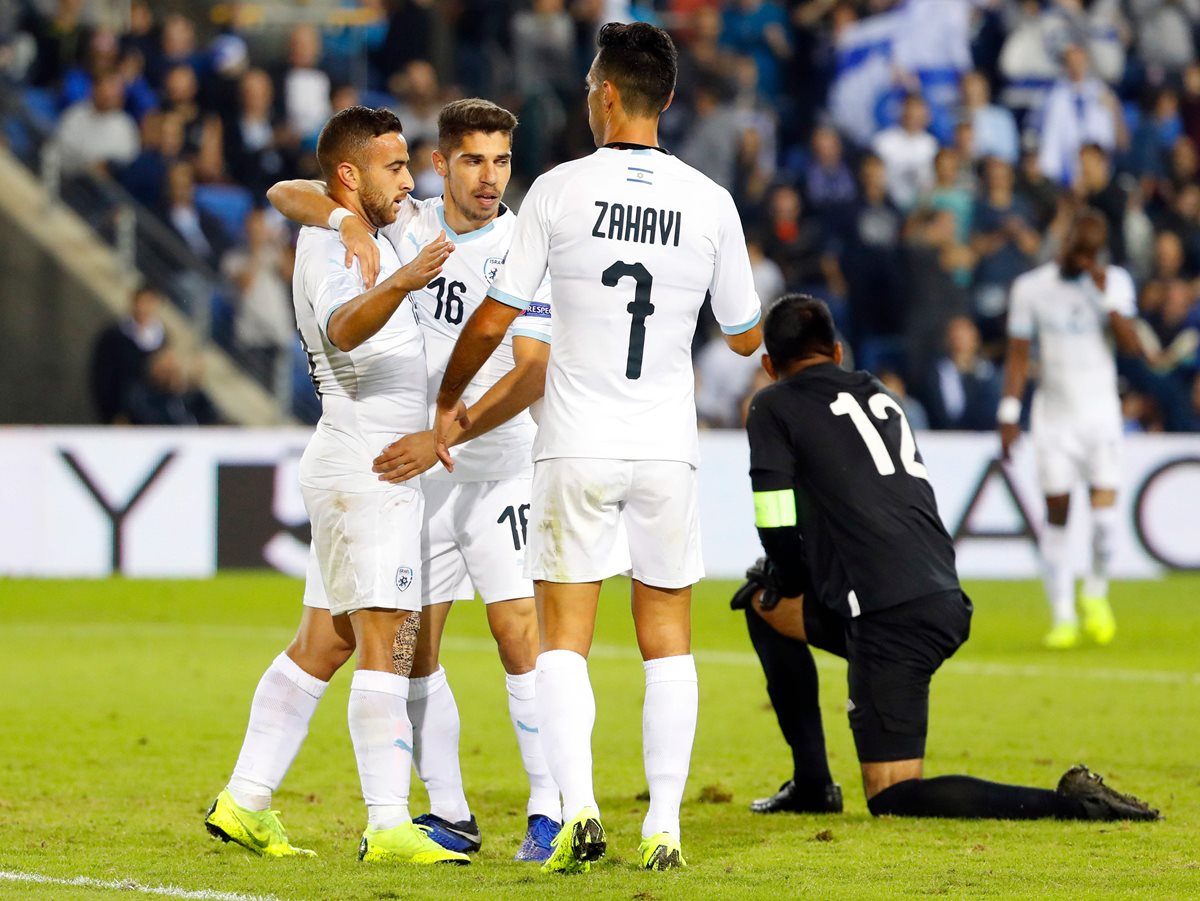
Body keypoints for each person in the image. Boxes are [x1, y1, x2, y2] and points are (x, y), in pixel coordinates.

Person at [429, 22, 764, 874]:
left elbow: (499, 314)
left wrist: (448, 396)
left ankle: (579, 811)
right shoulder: (710, 200)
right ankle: (664, 826)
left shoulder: (557, 191)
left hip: (575, 443)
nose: (586, 95)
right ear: (669, 98)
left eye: (589, 84)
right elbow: (743, 336)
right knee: (668, 638)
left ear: (608, 94)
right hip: (663, 447)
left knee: (563, 639)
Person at [265, 98, 572, 862]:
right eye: (473, 160)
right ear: (443, 164)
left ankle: (548, 806)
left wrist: (444, 432)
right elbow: (288, 193)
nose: (490, 178)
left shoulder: (525, 245)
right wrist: (346, 223)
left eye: (502, 161)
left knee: (515, 634)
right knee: (411, 647)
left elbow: (531, 374)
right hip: (420, 475)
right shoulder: (409, 222)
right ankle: (452, 810)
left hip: (494, 466)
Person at [734, 294, 1160, 823]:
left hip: (889, 615)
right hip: (938, 591)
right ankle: (812, 784)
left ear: (769, 365)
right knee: (762, 606)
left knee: (893, 794)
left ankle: (1071, 804)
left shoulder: (774, 404)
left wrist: (787, 574)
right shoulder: (876, 391)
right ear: (838, 352)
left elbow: (774, 517)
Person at [204, 105, 469, 865]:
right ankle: (389, 822)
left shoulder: (373, 222)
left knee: (323, 642)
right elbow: (344, 327)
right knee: (389, 635)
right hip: (366, 460)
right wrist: (397, 271)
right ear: (352, 175)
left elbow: (287, 186)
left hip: (360, 458)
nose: (407, 178)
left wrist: (354, 218)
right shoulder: (327, 247)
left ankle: (244, 799)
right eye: (393, 166)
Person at [1000, 209, 1146, 649]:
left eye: (1087, 253)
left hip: (1101, 418)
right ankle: (1063, 614)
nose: (1079, 260)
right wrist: (1009, 413)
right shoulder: (1031, 288)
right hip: (1054, 422)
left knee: (1104, 525)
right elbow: (1019, 355)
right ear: (1063, 245)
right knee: (1058, 518)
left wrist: (1106, 300)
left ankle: (1096, 593)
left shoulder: (1115, 282)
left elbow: (1132, 346)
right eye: (1074, 250)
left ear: (1096, 253)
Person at [90, 285, 168, 424]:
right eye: (142, 302)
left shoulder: (164, 339)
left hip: (154, 419)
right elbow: (103, 378)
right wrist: (113, 414)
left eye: (151, 302)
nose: (145, 308)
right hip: (122, 417)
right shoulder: (113, 336)